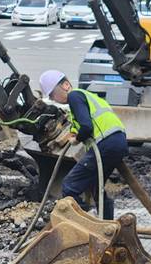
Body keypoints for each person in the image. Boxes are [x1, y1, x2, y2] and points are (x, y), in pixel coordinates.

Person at [39, 70, 129, 220]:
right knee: (96, 188)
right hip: (117, 142)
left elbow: (87, 127)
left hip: (106, 143)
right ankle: (108, 225)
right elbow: (84, 122)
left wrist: (77, 139)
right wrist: (74, 132)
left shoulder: (75, 96)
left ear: (66, 85)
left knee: (69, 186)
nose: (54, 99)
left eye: (53, 94)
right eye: (50, 97)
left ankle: (84, 222)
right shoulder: (87, 98)